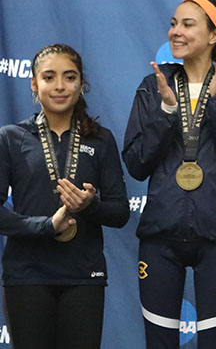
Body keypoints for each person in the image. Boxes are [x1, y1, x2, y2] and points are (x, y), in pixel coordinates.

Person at [122, 0, 216, 347]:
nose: (176, 31)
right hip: (160, 237)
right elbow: (136, 163)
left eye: (187, 24)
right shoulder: (155, 84)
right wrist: (167, 109)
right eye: (173, 23)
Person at [0, 43, 129, 348]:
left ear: (81, 85)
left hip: (83, 274)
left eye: (69, 77)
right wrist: (45, 227)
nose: (60, 86)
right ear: (34, 84)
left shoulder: (100, 139)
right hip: (27, 274)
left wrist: (90, 205)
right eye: (49, 77)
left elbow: (121, 212)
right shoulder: (10, 138)